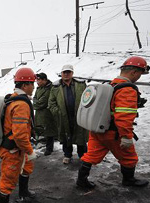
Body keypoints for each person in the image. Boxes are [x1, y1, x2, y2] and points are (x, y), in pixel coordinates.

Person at [77, 56, 149, 189]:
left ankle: (81, 181)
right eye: (140, 73)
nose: (139, 77)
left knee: (91, 155)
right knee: (129, 157)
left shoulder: (111, 85)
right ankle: (128, 180)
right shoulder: (127, 89)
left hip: (98, 130)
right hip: (114, 133)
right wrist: (126, 137)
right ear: (134, 72)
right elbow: (124, 116)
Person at [0, 67, 37, 203]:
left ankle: (24, 192)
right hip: (13, 148)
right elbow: (20, 135)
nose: (33, 86)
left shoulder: (16, 99)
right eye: (32, 83)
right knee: (9, 177)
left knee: (26, 168)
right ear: (25, 85)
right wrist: (30, 150)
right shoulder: (21, 104)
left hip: (19, 147)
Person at [48, 64, 88, 164]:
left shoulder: (81, 85)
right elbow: (51, 102)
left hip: (78, 115)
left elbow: (88, 98)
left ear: (72, 73)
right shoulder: (55, 87)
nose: (66, 74)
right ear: (61, 73)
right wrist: (58, 112)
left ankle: (83, 155)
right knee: (66, 136)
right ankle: (67, 155)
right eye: (64, 72)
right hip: (63, 116)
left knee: (80, 136)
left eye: (68, 72)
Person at [33, 72, 57, 156]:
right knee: (41, 129)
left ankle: (49, 148)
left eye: (39, 80)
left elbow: (42, 102)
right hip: (40, 113)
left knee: (49, 131)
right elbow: (35, 98)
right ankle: (41, 144)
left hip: (47, 114)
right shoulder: (39, 88)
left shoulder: (49, 88)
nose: (37, 81)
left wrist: (36, 103)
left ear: (44, 80)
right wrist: (36, 102)